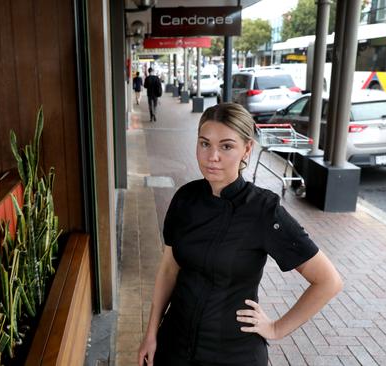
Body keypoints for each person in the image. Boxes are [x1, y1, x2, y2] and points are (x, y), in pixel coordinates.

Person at [137, 103, 342, 366]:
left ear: (247, 149)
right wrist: (151, 333)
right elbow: (168, 269)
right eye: (204, 143)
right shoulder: (185, 199)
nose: (212, 156)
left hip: (233, 353)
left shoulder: (264, 210)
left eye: (226, 146)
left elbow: (328, 281)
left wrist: (277, 328)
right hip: (173, 347)